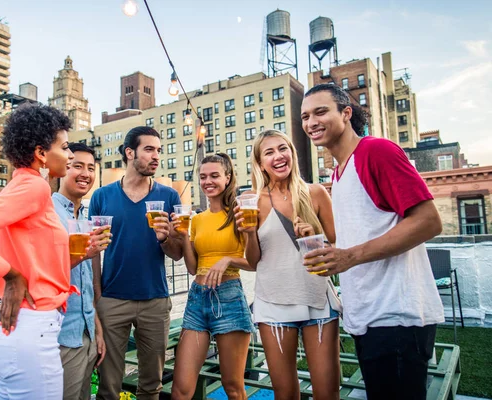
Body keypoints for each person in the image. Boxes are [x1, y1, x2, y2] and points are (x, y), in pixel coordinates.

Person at [0, 105, 101, 399]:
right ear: (41, 153)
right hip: (31, 332)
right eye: (64, 147)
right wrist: (9, 276)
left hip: (30, 329)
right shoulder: (33, 188)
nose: (71, 155)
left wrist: (66, 275)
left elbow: (35, 259)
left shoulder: (24, 186)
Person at [301, 84, 444, 399]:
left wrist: (349, 257)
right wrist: (330, 251)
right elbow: (363, 233)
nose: (311, 122)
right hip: (368, 318)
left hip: (396, 318)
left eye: (321, 111)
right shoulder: (339, 173)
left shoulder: (376, 151)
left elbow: (429, 221)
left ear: (347, 113)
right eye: (305, 116)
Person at [236, 129, 339, 400]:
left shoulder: (315, 193)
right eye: (269, 152)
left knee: (327, 392)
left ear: (292, 153)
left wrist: (312, 239)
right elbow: (253, 261)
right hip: (272, 304)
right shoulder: (252, 201)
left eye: (283, 149)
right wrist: (248, 233)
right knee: (285, 393)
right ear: (259, 163)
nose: (278, 156)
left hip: (317, 300)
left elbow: (338, 249)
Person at [90, 126, 183, 400]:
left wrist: (166, 239)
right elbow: (94, 252)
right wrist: (98, 297)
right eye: (149, 149)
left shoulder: (169, 197)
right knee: (109, 386)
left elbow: (177, 254)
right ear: (130, 153)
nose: (156, 156)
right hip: (112, 300)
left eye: (159, 150)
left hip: (155, 300)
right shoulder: (101, 197)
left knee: (151, 385)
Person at [170, 153, 254, 400]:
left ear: (228, 178)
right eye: (203, 176)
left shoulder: (240, 213)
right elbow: (193, 268)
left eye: (215, 175)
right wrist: (183, 237)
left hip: (229, 299)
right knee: (181, 389)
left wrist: (228, 259)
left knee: (233, 387)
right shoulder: (197, 220)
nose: (208, 181)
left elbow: (254, 261)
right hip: (197, 301)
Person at [53, 142, 111, 400]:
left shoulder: (86, 217)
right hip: (61, 337)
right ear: (63, 169)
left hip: (86, 334)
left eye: (90, 168)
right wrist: (82, 255)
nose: (85, 173)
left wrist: (96, 329)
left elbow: (85, 285)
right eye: (77, 166)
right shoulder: (48, 213)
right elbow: (40, 275)